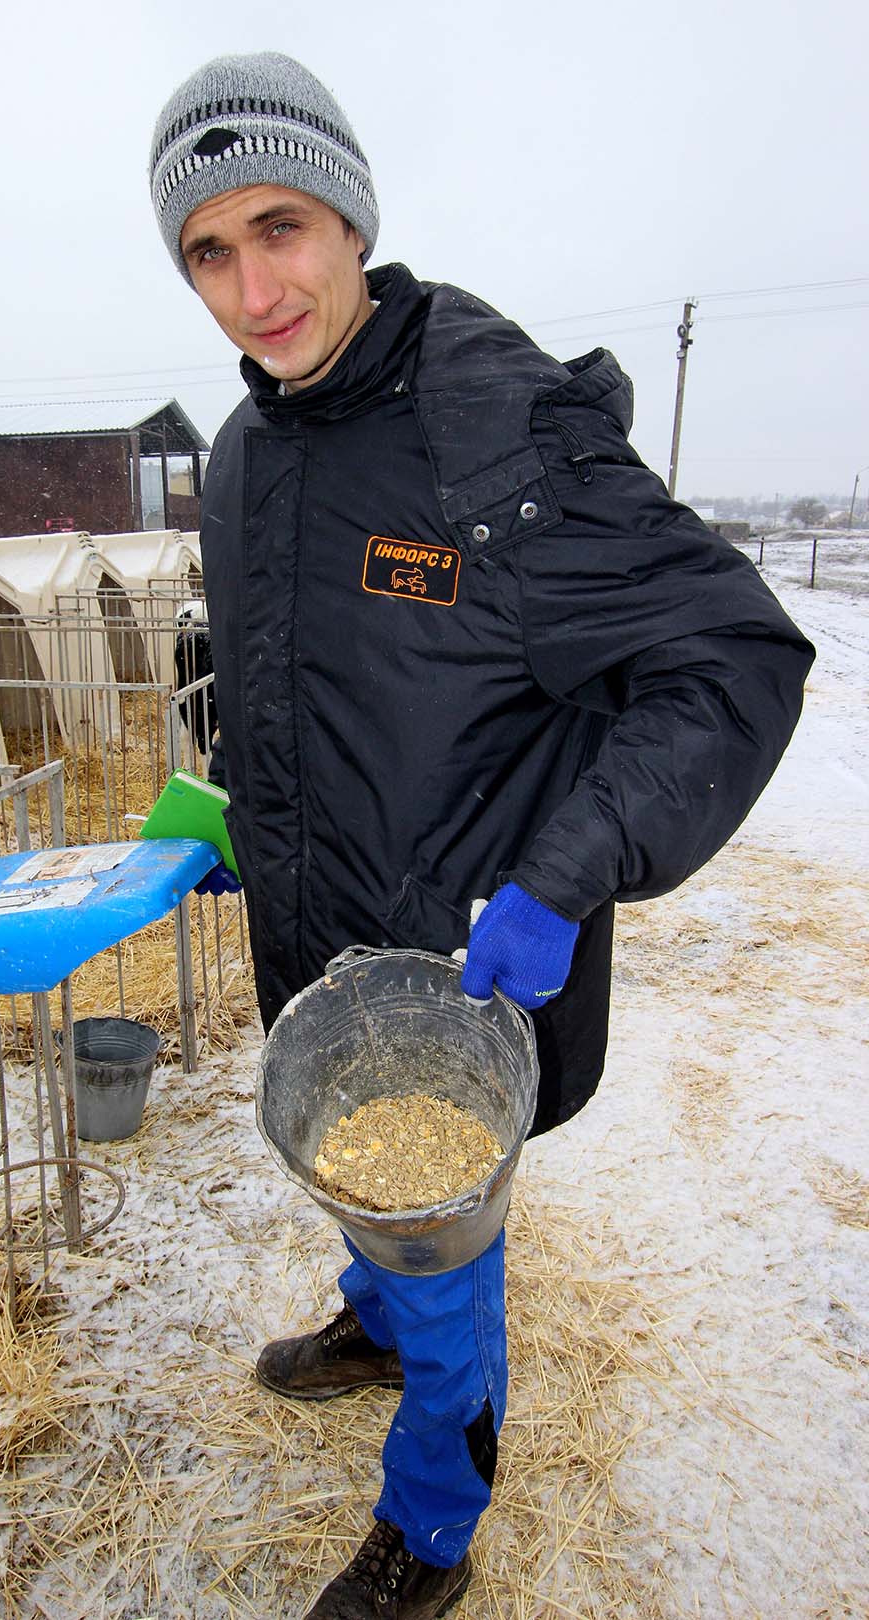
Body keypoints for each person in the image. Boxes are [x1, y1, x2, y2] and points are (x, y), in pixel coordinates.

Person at [149, 52, 814, 1620]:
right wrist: (245, 812)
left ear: (352, 218)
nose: (255, 290)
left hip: (465, 970)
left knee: (457, 1263)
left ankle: (432, 1526)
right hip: (318, 952)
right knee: (366, 1198)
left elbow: (731, 663)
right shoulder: (244, 459)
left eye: (282, 227)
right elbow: (287, 684)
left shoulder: (496, 427)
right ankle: (373, 1318)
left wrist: (567, 877)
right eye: (208, 253)